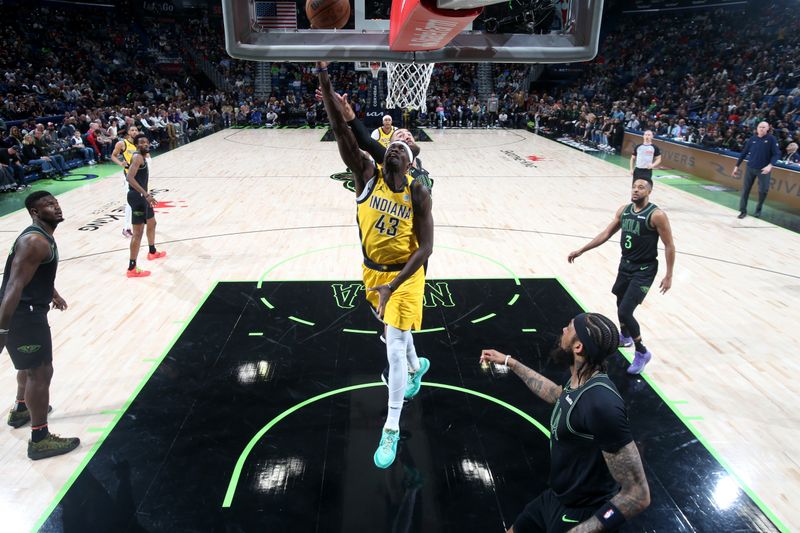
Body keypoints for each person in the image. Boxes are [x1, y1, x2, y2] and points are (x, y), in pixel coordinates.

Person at [319, 61, 433, 469]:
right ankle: (418, 368)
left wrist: (394, 284)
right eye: (394, 141)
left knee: (394, 345)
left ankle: (391, 428)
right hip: (373, 272)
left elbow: (427, 248)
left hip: (408, 271)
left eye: (403, 144)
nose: (396, 145)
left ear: (411, 159)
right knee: (395, 339)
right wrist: (327, 83)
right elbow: (350, 139)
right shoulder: (368, 173)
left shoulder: (420, 188)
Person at [480, 312, 650, 532]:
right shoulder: (580, 380)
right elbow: (559, 396)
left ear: (578, 347)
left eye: (570, 327)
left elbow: (638, 494)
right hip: (556, 497)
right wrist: (509, 362)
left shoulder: (602, 404)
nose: (563, 329)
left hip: (582, 513)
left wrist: (581, 530)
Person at [0, 191, 80, 460]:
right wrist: (2, 329)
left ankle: (22, 407)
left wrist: (52, 292)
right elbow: (14, 284)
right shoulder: (35, 241)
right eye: (48, 205)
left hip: (28, 311)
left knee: (29, 366)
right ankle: (39, 438)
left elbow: (31, 274)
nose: (56, 207)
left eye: (56, 203)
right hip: (24, 315)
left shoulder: (42, 236)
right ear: (35, 212)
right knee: (40, 372)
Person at [567, 176, 675, 375]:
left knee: (625, 311)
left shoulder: (656, 215)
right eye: (634, 187)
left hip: (644, 270)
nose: (636, 190)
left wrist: (669, 275)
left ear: (649, 192)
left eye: (641, 187)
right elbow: (605, 234)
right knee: (619, 300)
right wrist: (582, 250)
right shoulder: (624, 211)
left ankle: (642, 352)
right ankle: (625, 337)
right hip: (625, 266)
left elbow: (669, 245)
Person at [125, 135, 166, 278]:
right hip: (138, 197)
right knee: (137, 233)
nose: (145, 144)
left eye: (147, 142)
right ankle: (132, 268)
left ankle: (152, 251)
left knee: (152, 223)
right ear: (136, 145)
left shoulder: (142, 156)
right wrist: (146, 194)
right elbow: (129, 178)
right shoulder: (137, 157)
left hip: (143, 197)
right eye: (141, 142)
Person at [732, 121, 780, 219]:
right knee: (745, 190)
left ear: (767, 129)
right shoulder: (752, 139)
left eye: (763, 127)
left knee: (763, 191)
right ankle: (742, 211)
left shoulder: (771, 139)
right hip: (750, 168)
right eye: (759, 127)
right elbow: (744, 153)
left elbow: (776, 154)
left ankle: (758, 209)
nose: (761, 129)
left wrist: (770, 165)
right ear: (757, 128)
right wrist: (737, 166)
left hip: (764, 170)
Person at [111, 126, 140, 238]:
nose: (134, 132)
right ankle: (126, 228)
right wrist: (120, 163)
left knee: (142, 199)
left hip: (140, 175)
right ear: (128, 132)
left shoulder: (140, 143)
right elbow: (113, 156)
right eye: (132, 130)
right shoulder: (122, 144)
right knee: (130, 202)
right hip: (129, 175)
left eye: (136, 130)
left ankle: (141, 223)